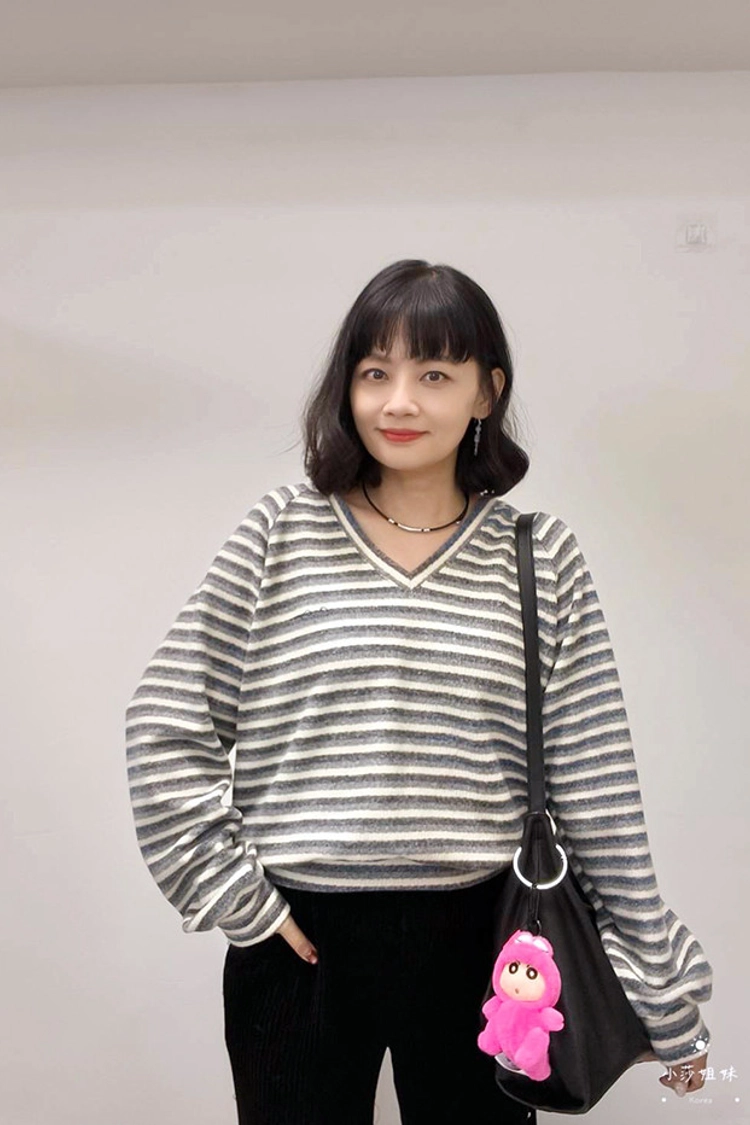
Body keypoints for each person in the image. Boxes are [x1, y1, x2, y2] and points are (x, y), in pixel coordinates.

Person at [125, 259, 713, 1124]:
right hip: (301, 944)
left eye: (434, 374)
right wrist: (236, 897)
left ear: (486, 392)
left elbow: (597, 787)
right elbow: (165, 724)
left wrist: (661, 988)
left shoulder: (539, 554)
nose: (398, 402)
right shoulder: (279, 532)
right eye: (375, 373)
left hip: (488, 947)